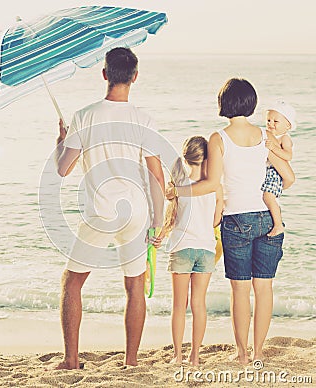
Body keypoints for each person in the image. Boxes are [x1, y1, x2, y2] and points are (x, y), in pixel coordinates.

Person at [164, 78, 295, 364]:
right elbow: (288, 177)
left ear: (223, 103)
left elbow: (211, 184)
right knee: (264, 287)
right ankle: (259, 352)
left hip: (236, 221)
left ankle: (243, 354)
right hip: (266, 217)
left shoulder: (218, 138)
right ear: (251, 103)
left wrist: (177, 191)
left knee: (240, 290)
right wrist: (268, 192)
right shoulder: (264, 136)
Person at [54, 47, 165, 369]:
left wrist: (61, 141)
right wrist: (158, 222)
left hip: (101, 213)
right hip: (136, 212)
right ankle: (131, 362)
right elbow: (156, 175)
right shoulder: (144, 119)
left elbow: (63, 170)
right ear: (135, 76)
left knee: (72, 282)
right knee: (135, 286)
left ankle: (71, 360)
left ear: (104, 74)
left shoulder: (85, 116)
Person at [154, 136, 223, 366]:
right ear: (208, 159)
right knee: (199, 305)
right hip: (205, 250)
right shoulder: (215, 187)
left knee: (178, 306)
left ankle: (177, 356)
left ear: (186, 158)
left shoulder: (178, 186)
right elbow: (216, 220)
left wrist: (161, 235)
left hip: (181, 249)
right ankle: (195, 357)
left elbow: (171, 217)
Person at [261, 100, 296, 236]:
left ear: (287, 125)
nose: (270, 124)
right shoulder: (271, 136)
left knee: (268, 196)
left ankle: (278, 224)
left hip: (275, 172)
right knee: (267, 197)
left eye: (276, 121)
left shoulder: (284, 138)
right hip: (268, 171)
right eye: (268, 120)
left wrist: (273, 147)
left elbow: (288, 156)